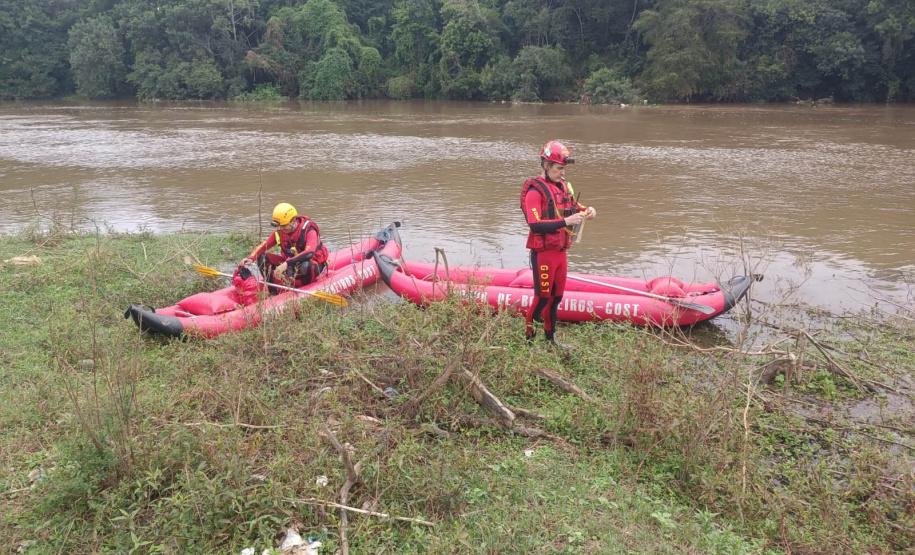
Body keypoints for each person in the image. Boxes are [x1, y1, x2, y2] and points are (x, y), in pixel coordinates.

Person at [521, 141, 596, 345]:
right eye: (559, 168)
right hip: (544, 254)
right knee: (542, 299)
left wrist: (588, 211)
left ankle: (550, 339)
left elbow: (576, 207)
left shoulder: (563, 187)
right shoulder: (534, 192)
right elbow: (535, 225)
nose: (562, 173)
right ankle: (529, 341)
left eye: (564, 169)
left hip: (560, 253)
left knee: (556, 299)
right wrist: (565, 222)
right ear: (546, 166)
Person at [238, 202, 329, 291]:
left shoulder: (309, 229)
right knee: (263, 257)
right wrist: (251, 258)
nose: (282, 229)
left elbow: (309, 252)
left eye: (284, 226)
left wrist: (286, 264)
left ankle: (303, 289)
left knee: (305, 265)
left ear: (293, 221)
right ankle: (273, 291)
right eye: (279, 226)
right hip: (290, 266)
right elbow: (263, 246)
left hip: (311, 265)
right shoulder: (280, 231)